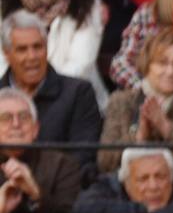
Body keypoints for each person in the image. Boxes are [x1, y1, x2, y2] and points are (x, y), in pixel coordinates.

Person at [98, 29, 173, 175]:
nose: (170, 71)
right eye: (162, 63)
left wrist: (166, 127)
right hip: (128, 187)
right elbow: (105, 162)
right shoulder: (121, 101)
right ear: (147, 65)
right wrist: (139, 136)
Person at [0, 10, 101, 170]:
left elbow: (83, 157)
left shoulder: (78, 93)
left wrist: (38, 185)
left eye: (37, 47)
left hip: (60, 190)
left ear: (47, 49)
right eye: (22, 49)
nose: (32, 56)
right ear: (6, 54)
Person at [0, 86, 82, 213]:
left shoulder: (62, 164)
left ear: (36, 129)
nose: (16, 124)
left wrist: (37, 195)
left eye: (23, 117)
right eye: (6, 118)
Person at [0, 0, 109, 109]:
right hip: (12, 100)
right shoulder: (6, 4)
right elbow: (2, 60)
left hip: (74, 102)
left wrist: (43, 91)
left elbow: (81, 64)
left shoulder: (87, 4)